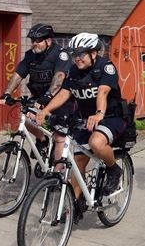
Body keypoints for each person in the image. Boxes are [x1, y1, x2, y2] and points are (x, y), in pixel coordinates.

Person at [36, 32, 126, 220]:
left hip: (110, 117)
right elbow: (64, 93)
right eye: (74, 54)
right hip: (86, 119)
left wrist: (99, 114)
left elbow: (102, 92)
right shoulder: (74, 70)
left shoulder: (105, 67)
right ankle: (78, 202)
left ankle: (113, 169)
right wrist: (45, 110)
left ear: (93, 53)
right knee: (77, 162)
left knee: (96, 142)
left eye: (81, 54)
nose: (76, 58)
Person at [0, 23, 72, 161]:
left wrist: (47, 96)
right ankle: (43, 141)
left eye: (37, 40)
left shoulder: (60, 55)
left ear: (48, 41)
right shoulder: (31, 56)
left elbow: (59, 77)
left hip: (59, 101)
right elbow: (18, 75)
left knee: (60, 136)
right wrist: (7, 93)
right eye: (32, 40)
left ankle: (56, 175)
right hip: (39, 98)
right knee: (26, 118)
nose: (34, 44)